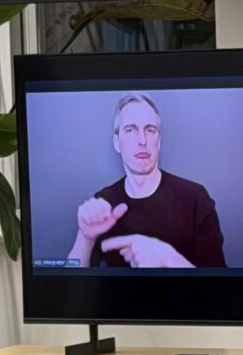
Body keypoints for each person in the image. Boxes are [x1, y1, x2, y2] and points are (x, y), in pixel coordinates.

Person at [66, 92, 228, 268]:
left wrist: (169, 259)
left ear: (159, 141)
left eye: (150, 130)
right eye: (131, 130)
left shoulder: (195, 199)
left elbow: (220, 283)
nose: (142, 141)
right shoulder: (103, 204)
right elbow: (71, 280)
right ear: (117, 143)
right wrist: (85, 237)